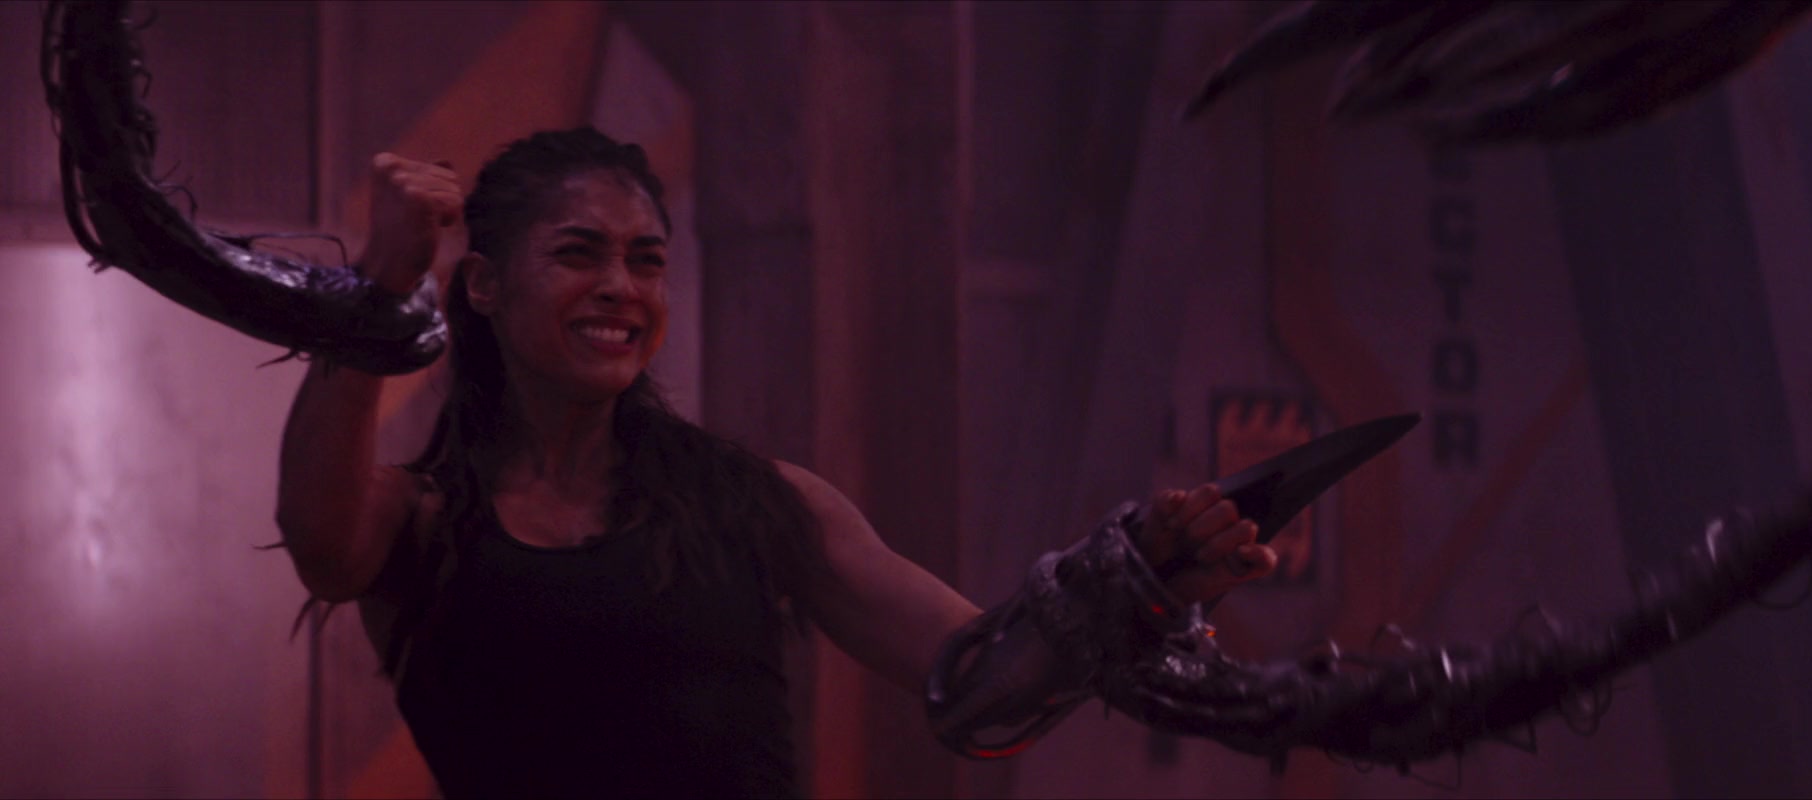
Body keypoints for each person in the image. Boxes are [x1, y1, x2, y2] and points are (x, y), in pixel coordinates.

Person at [274, 127, 1280, 798]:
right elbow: (320, 541)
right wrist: (384, 279)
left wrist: (1147, 589)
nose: (621, 286)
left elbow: (986, 683)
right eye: (578, 253)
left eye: (647, 260)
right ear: (485, 286)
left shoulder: (758, 502)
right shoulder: (421, 520)